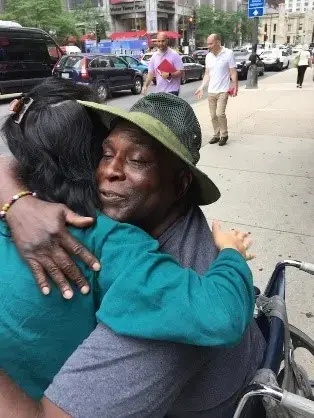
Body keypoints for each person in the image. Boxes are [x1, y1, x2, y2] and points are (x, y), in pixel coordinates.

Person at [0, 85, 264, 417]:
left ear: (180, 184)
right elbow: (15, 161)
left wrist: (232, 255)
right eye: (106, 153)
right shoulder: (133, 219)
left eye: (138, 159)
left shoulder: (166, 294)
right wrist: (16, 202)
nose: (110, 171)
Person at [195, 33, 238, 147]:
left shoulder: (228, 53)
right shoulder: (208, 56)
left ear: (218, 42)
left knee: (220, 113)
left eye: (211, 43)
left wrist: (235, 86)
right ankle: (216, 134)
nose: (208, 46)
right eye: (208, 43)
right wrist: (201, 87)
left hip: (223, 90)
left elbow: (233, 72)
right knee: (213, 115)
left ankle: (224, 135)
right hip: (211, 91)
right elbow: (207, 74)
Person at [142, 32, 184, 96]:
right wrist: (145, 86)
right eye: (158, 41)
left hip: (172, 90)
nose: (160, 43)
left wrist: (169, 74)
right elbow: (150, 74)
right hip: (160, 92)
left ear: (167, 41)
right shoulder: (154, 56)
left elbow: (182, 73)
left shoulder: (174, 55)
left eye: (163, 41)